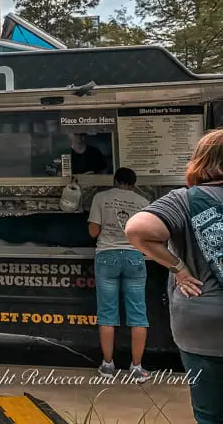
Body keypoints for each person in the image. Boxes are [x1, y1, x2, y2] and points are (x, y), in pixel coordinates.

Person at [126, 128, 223, 424]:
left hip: (203, 326)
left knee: (210, 415)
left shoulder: (184, 200)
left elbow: (136, 230)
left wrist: (179, 269)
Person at [87, 167, 151, 382]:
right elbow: (148, 234)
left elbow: (93, 232)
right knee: (138, 314)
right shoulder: (143, 203)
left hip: (107, 256)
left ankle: (107, 366)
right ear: (134, 183)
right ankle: (137, 368)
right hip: (134, 257)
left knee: (107, 312)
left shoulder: (101, 198)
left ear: (115, 181)